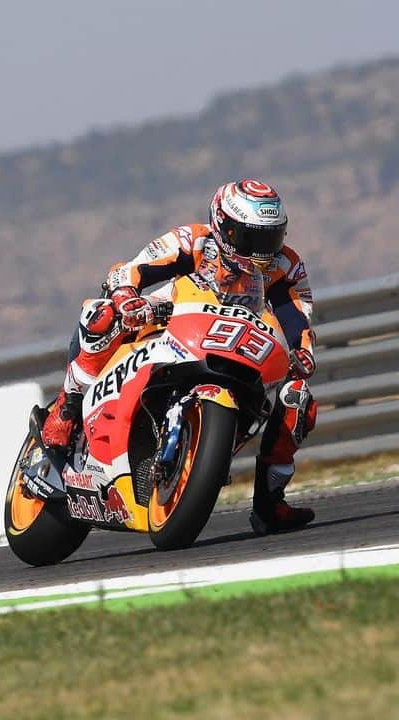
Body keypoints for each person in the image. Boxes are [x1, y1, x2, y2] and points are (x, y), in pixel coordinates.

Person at [40, 180, 317, 535]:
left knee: (298, 399)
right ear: (224, 227)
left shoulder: (287, 266)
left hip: (241, 344)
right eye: (252, 238)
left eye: (272, 237)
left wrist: (303, 352)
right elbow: (132, 271)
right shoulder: (194, 241)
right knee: (101, 315)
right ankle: (66, 409)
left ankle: (270, 503)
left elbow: (296, 319)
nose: (263, 251)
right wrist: (127, 298)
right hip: (173, 316)